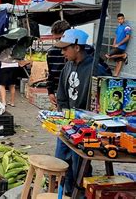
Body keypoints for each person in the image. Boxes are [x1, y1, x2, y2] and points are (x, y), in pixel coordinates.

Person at [54, 28, 94, 195]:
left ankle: (80, 193)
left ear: (77, 47)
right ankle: (65, 191)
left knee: (79, 164)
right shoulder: (67, 67)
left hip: (85, 127)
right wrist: (63, 116)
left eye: (65, 48)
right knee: (61, 161)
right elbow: (62, 96)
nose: (63, 52)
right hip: (66, 123)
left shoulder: (95, 69)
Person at [46, 20, 72, 106]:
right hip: (61, 95)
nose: (59, 42)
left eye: (61, 38)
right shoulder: (51, 52)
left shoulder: (85, 51)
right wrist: (50, 92)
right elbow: (51, 74)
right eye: (56, 39)